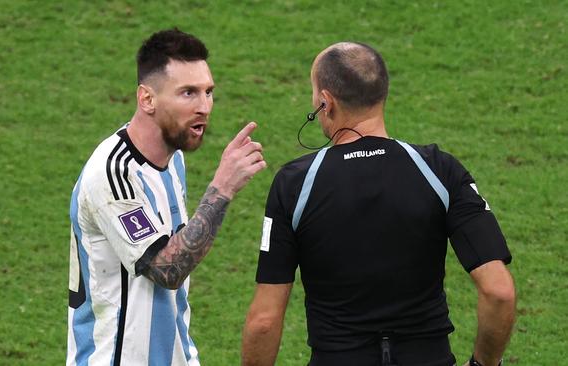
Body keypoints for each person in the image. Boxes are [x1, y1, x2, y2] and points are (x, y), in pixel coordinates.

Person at [241, 42, 516, 366]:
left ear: (326, 103)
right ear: (382, 95)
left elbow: (264, 322)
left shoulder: (295, 184)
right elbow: (499, 293)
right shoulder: (440, 170)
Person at [67, 28, 266, 365]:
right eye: (188, 93)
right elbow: (165, 269)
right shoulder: (114, 175)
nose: (204, 106)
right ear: (147, 99)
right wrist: (222, 188)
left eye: (208, 92)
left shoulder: (173, 159)